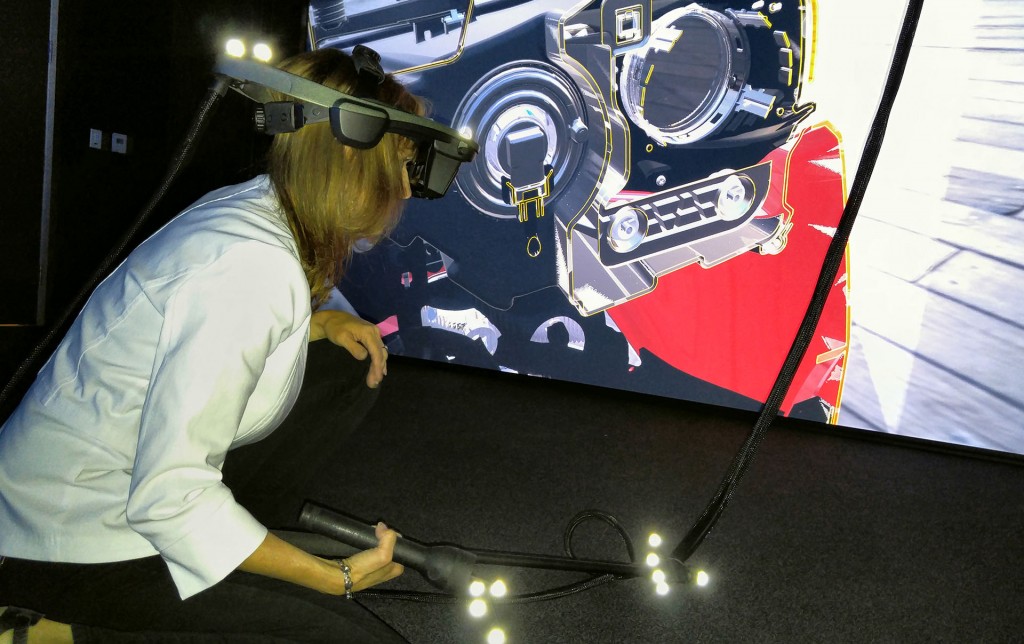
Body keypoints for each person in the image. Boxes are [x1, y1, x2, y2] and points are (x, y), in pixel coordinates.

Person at [0, 47, 425, 642]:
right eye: (401, 166)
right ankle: (50, 627)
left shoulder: (259, 208)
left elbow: (200, 333)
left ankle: (246, 532)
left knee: (339, 363)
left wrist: (316, 323)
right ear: (352, 168)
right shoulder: (248, 265)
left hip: (110, 490)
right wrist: (333, 577)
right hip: (64, 537)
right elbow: (168, 497)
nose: (407, 187)